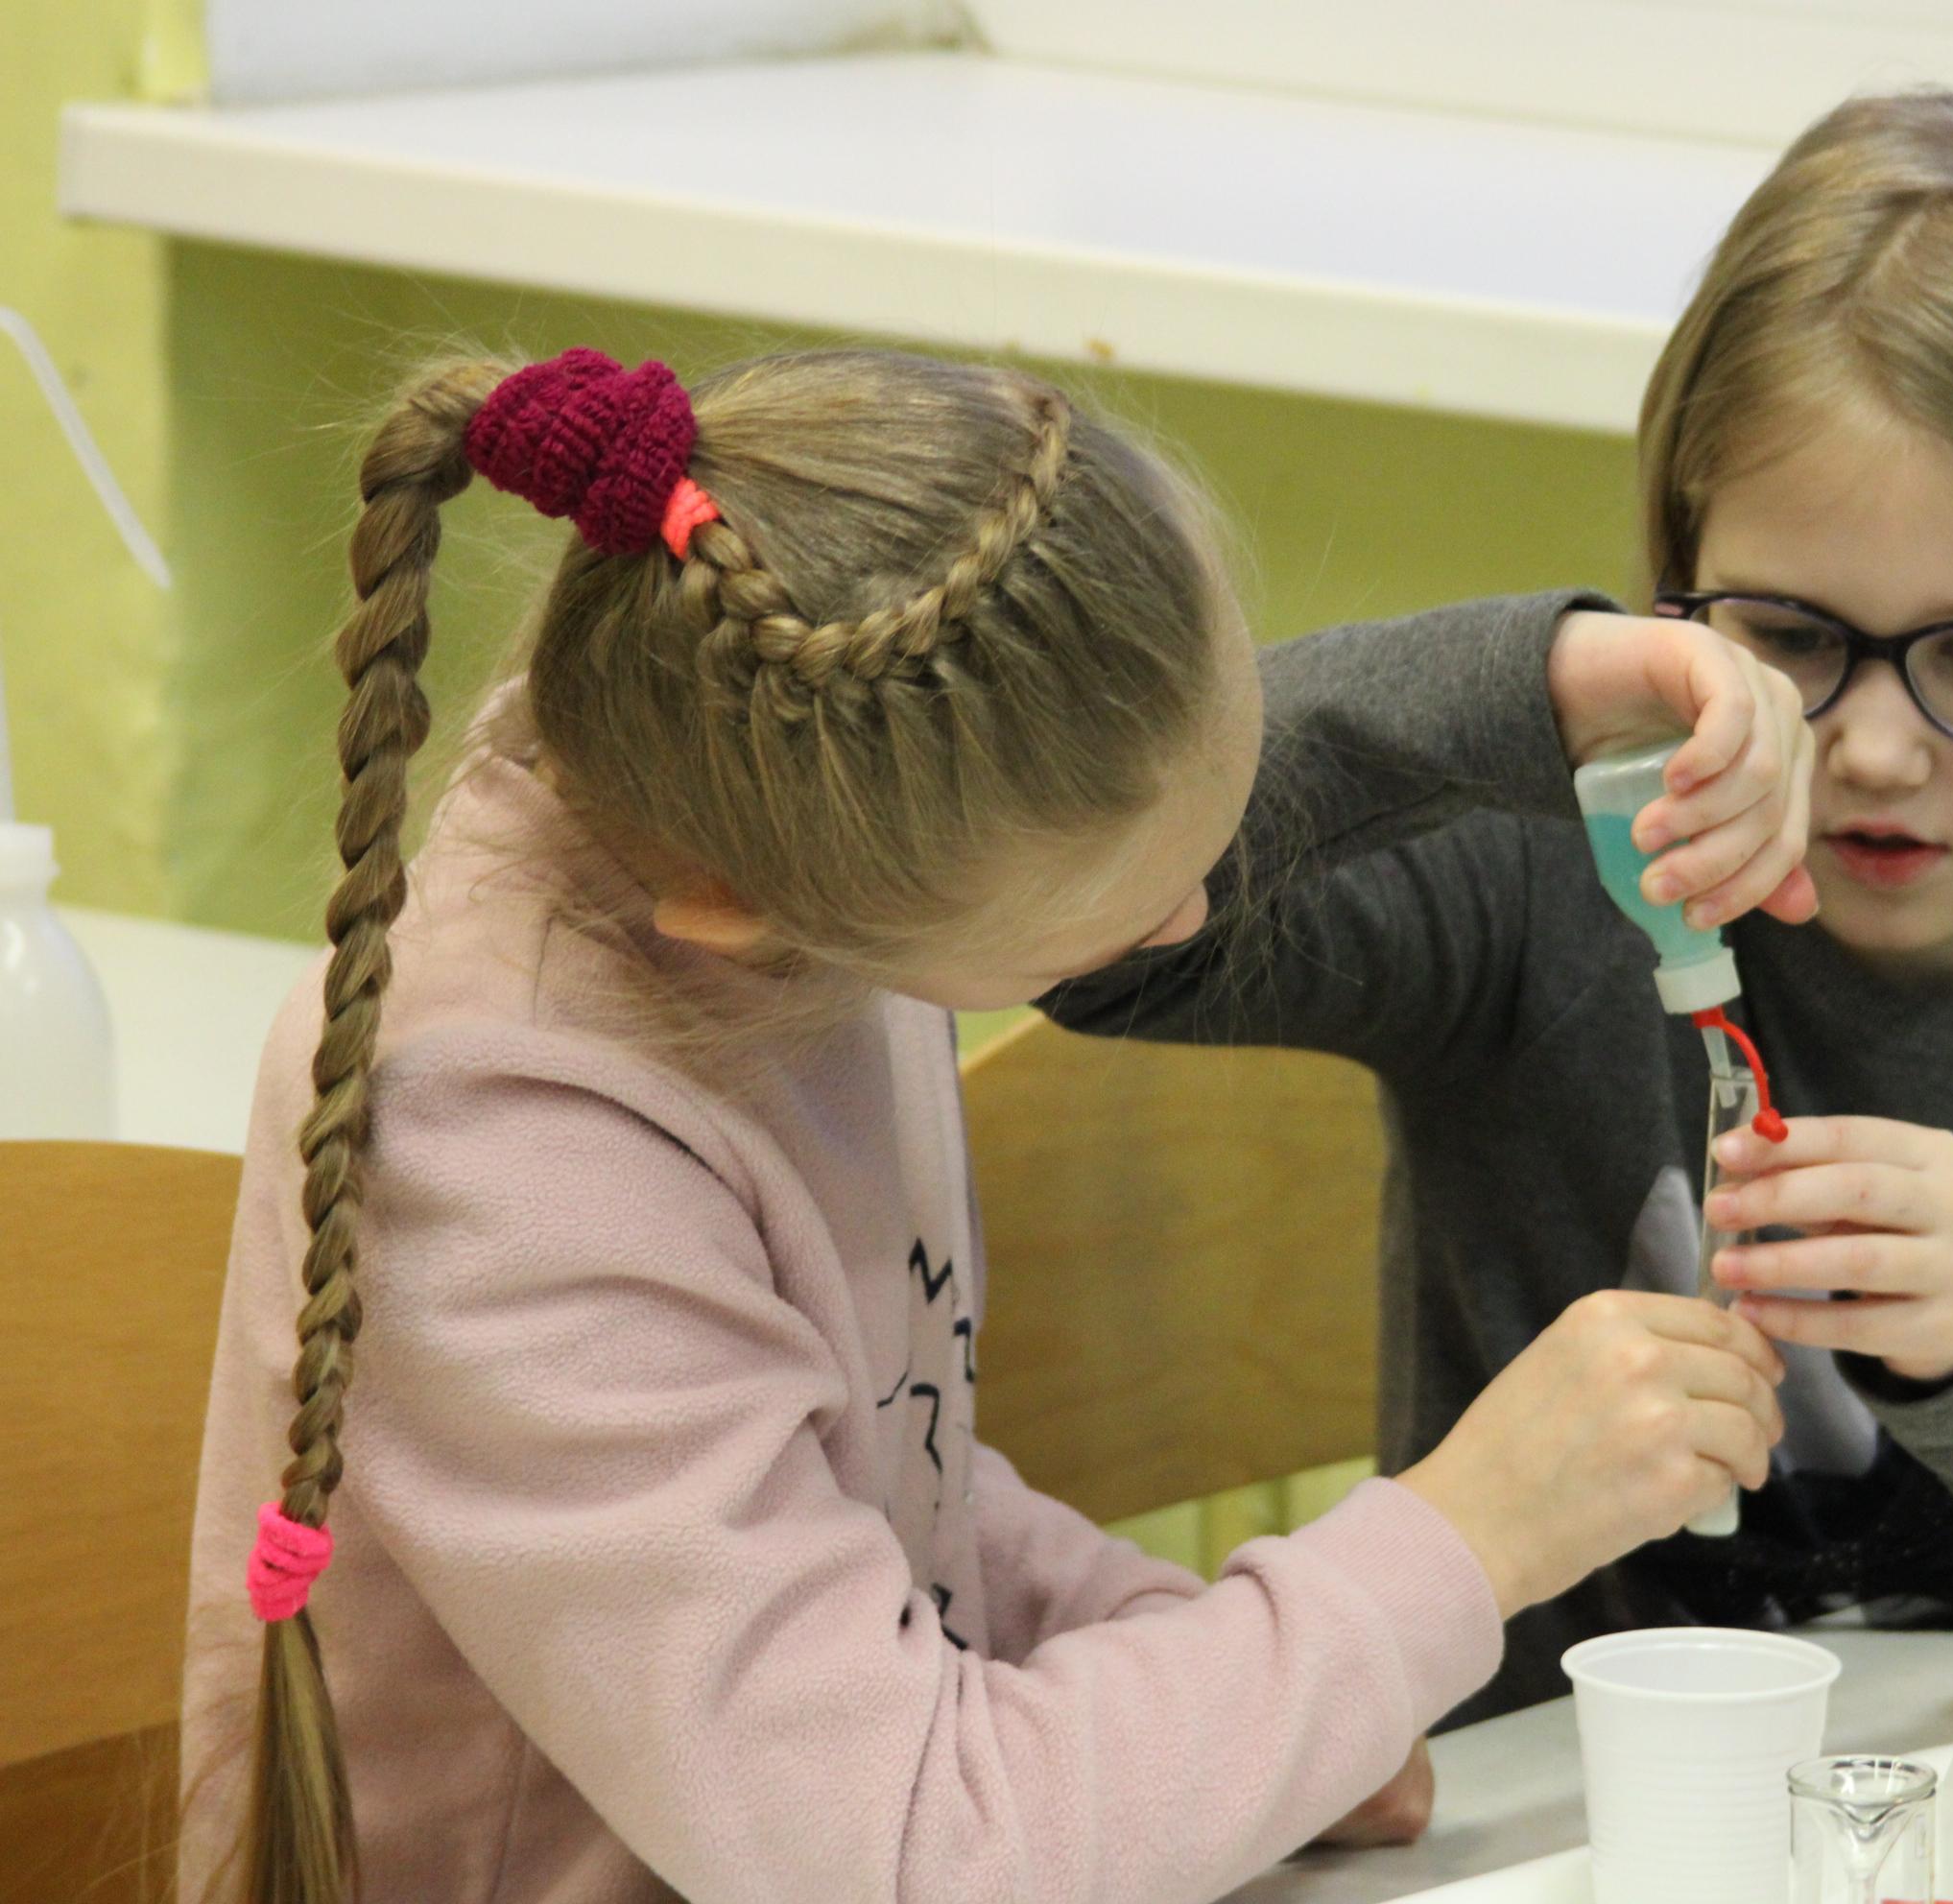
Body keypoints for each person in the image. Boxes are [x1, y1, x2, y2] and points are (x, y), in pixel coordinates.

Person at [179, 345, 1803, 1902]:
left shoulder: (816, 856)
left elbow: (880, 1475)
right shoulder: (504, 1142)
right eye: (1101, 932)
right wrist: (1465, 1539)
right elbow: (912, 1855)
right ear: (749, 909)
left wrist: (1231, 1690)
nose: (1190, 925)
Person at [1049, 83, 1953, 1721]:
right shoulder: (1547, 873)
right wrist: (1521, 688)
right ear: (1683, 575)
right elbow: (1083, 914)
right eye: (1793, 637)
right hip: (1545, 1818)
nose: (1873, 750)